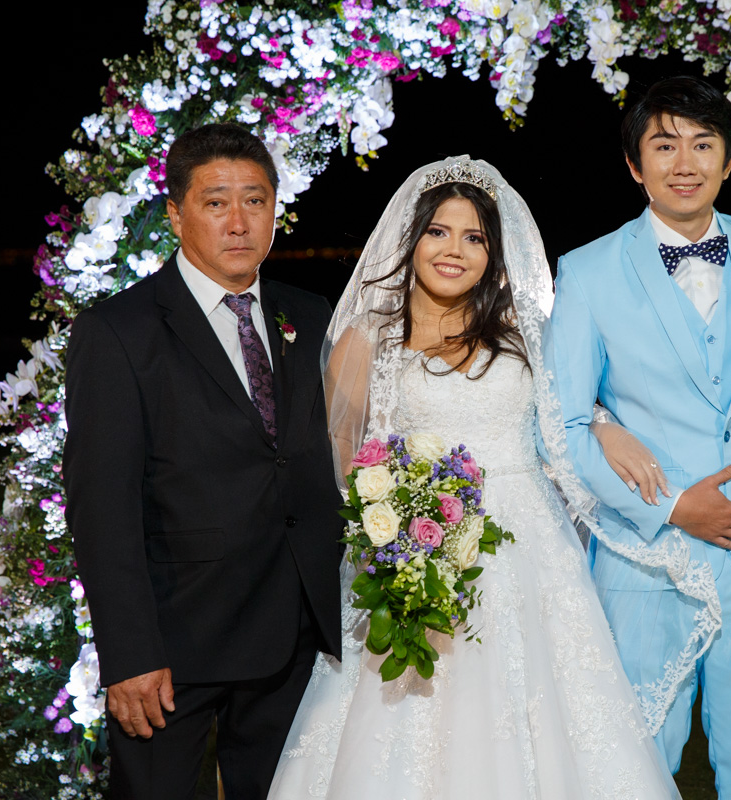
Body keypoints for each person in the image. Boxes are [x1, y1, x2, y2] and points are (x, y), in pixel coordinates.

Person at [266, 156, 679, 799]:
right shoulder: (368, 339)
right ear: (412, 239)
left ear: (494, 252)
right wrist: (394, 534)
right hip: (416, 554)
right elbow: (341, 461)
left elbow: (568, 409)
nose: (453, 250)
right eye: (438, 232)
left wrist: (605, 427)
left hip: (529, 554)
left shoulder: (525, 332)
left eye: (474, 237)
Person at [63, 123, 343, 798]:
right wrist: (129, 652)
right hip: (174, 646)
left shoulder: (311, 316)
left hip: (294, 640)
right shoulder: (119, 332)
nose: (239, 222)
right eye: (216, 202)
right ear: (175, 213)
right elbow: (101, 508)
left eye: (256, 200)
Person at [549, 76, 731, 799]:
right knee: (637, 757)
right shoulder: (588, 271)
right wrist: (672, 507)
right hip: (643, 549)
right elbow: (562, 425)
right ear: (635, 165)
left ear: (729, 160)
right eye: (664, 146)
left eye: (702, 144)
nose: (684, 163)